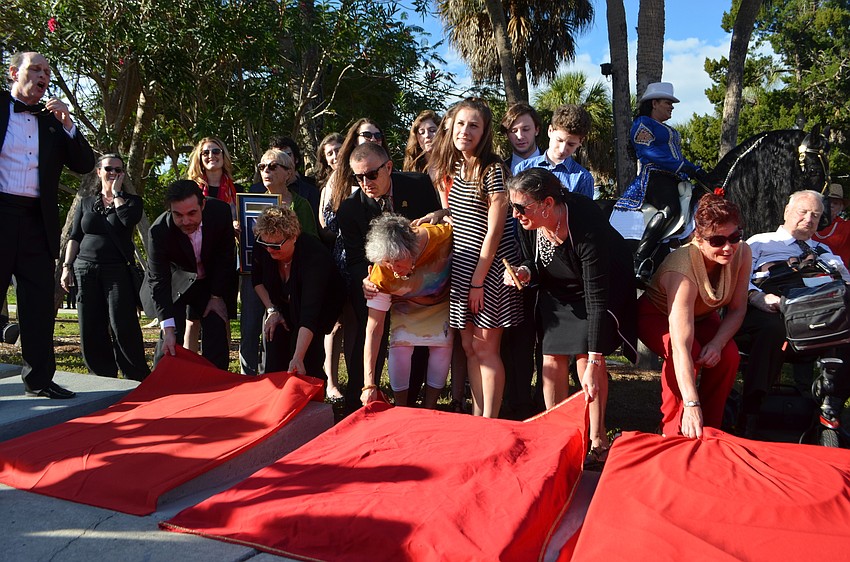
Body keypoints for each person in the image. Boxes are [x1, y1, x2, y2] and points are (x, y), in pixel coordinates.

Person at [504, 168, 637, 458]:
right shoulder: (527, 223)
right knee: (551, 355)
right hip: (558, 290)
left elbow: (597, 297)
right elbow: (532, 261)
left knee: (584, 361)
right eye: (511, 206)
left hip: (600, 287)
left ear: (547, 204)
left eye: (520, 207)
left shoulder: (586, 222)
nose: (514, 214)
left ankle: (597, 438)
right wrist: (526, 272)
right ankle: (556, 435)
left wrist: (595, 357)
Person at [1, 51, 95, 399]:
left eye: (47, 72)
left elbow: (85, 163)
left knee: (38, 303)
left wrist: (68, 122)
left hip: (36, 222)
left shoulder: (52, 120)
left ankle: (39, 379)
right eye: (35, 69)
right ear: (13, 73)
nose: (42, 76)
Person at [428, 97, 523, 418]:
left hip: (490, 270)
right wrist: (440, 213)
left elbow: (495, 232)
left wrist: (478, 282)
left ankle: (490, 421)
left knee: (485, 348)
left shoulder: (493, 170)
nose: (465, 131)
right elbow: (462, 216)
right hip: (463, 266)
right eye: (460, 124)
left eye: (474, 125)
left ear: (484, 133)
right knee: (469, 348)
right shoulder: (454, 168)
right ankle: (477, 418)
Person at [737, 190, 850, 433]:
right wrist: (756, 296)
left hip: (816, 312)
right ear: (787, 212)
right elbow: (738, 279)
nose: (809, 219)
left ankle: (831, 405)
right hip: (770, 308)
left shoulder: (824, 251)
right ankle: (751, 411)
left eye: (816, 215)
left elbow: (846, 284)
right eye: (803, 212)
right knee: (772, 328)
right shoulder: (760, 242)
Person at [337, 142, 439, 412]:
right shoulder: (350, 209)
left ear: (389, 167)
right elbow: (356, 259)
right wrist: (365, 280)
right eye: (358, 177)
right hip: (377, 277)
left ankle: (411, 403)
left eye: (371, 174)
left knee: (418, 336)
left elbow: (440, 223)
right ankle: (359, 399)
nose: (365, 182)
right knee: (368, 327)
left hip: (420, 274)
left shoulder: (419, 186)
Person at [638, 195, 750, 439]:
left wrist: (718, 344)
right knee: (689, 353)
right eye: (718, 241)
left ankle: (710, 427)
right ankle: (672, 428)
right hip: (655, 315)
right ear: (699, 239)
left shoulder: (742, 254)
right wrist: (691, 403)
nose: (728, 247)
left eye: (734, 237)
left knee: (728, 356)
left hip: (702, 316)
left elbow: (738, 309)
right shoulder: (683, 267)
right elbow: (680, 345)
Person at [60, 153, 149, 380]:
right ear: (99, 171)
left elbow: (128, 220)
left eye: (118, 170)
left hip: (117, 271)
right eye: (109, 169)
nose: (113, 174)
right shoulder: (86, 202)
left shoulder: (131, 201)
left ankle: (135, 376)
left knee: (123, 324)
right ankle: (101, 375)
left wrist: (117, 194)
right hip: (85, 269)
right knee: (90, 325)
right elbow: (75, 236)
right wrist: (67, 267)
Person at [612, 82, 708, 283]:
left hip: (675, 178)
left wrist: (695, 169)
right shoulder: (642, 124)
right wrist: (684, 166)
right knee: (669, 208)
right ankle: (639, 259)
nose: (672, 106)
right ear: (654, 103)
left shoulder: (670, 130)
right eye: (668, 102)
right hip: (654, 176)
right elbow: (650, 152)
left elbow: (677, 158)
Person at [361, 214, 453, 408]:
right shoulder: (381, 270)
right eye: (387, 262)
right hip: (404, 307)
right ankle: (401, 407)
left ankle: (431, 408)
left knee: (442, 346)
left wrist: (442, 212)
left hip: (440, 304)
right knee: (399, 347)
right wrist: (368, 384)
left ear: (411, 249)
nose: (394, 269)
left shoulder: (441, 236)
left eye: (398, 262)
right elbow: (374, 329)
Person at [239, 149, 317, 375]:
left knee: (283, 329)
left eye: (273, 167)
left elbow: (310, 241)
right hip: (260, 277)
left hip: (292, 280)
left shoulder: (301, 204)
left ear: (289, 172)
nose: (266, 171)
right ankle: (251, 377)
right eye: (262, 167)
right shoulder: (250, 201)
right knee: (252, 327)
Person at [146, 180, 235, 370]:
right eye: (178, 215)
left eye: (192, 213)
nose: (186, 221)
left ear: (202, 204)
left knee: (216, 326)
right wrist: (167, 326)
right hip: (174, 283)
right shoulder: (158, 231)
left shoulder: (220, 212)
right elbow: (158, 280)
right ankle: (161, 387)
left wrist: (216, 296)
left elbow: (225, 257)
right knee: (170, 339)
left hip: (209, 283)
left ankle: (217, 384)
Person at [251, 206, 344, 377]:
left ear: (293, 237)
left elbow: (310, 314)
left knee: (307, 360)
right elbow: (256, 280)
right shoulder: (263, 244)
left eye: (276, 246)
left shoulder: (315, 257)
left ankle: (311, 395)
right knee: (275, 343)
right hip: (280, 304)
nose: (270, 250)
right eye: (266, 244)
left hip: (319, 307)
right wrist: (272, 310)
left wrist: (297, 358)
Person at [185, 137, 241, 353]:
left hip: (224, 262)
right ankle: (188, 369)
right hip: (195, 261)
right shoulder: (191, 189)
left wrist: (237, 228)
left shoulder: (237, 190)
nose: (211, 156)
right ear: (199, 158)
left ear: (224, 155)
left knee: (222, 317)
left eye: (216, 151)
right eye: (205, 153)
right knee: (192, 319)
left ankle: (222, 370)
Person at [315, 132, 347, 399]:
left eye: (339, 149)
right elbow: (323, 228)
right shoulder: (326, 188)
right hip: (335, 259)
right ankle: (332, 382)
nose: (336, 155)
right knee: (334, 325)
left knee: (359, 322)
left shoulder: (362, 178)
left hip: (363, 259)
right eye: (330, 153)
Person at [514, 104, 594, 199]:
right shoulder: (523, 168)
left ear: (581, 141)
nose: (562, 149)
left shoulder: (583, 178)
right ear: (550, 131)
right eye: (559, 140)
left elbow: (586, 213)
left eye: (571, 144)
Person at [268, 136, 320, 220]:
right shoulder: (256, 190)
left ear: (296, 159)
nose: (282, 160)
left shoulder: (313, 188)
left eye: (287, 155)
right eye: (277, 157)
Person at [814, 182, 850, 268]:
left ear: (841, 208)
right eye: (828, 202)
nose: (831, 206)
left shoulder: (846, 226)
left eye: (836, 203)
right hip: (809, 273)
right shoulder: (809, 222)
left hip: (839, 274)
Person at [501, 103, 542, 174]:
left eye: (526, 129)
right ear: (507, 135)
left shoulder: (555, 165)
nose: (520, 136)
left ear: (537, 130)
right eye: (513, 131)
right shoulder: (500, 171)